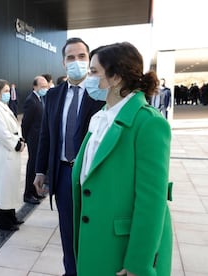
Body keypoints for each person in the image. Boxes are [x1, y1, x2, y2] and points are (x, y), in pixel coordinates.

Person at [72, 42, 173, 275]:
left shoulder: (148, 122)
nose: (89, 78)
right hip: (98, 240)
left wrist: (139, 262)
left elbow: (152, 201)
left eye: (94, 72)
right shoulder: (100, 117)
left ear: (115, 77)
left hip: (122, 250)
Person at [33, 37, 105, 276]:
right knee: (68, 230)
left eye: (81, 56)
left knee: (93, 230)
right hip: (63, 173)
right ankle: (71, 271)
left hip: (94, 175)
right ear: (64, 63)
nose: (76, 62)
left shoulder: (101, 93)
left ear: (90, 59)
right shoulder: (53, 96)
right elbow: (46, 136)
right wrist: (40, 170)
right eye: (71, 57)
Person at [0, 79, 26, 231]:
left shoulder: (3, 107)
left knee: (11, 185)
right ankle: (3, 221)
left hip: (10, 150)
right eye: (5, 91)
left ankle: (11, 216)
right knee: (3, 186)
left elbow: (14, 128)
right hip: (4, 150)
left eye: (8, 91)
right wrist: (16, 143)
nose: (8, 94)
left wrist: (20, 140)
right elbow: (1, 132)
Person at [21, 75, 49, 205]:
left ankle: (34, 191)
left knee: (36, 167)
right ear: (35, 86)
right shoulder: (31, 100)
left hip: (39, 139)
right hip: (33, 139)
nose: (45, 88)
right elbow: (25, 122)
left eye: (46, 86)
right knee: (32, 166)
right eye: (42, 86)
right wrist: (26, 138)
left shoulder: (40, 98)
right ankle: (28, 194)